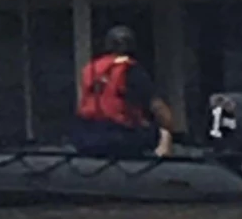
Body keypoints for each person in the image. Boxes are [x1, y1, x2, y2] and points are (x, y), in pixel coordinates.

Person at [72, 25, 176, 158]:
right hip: (119, 139)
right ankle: (162, 163)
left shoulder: (91, 69)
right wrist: (169, 127)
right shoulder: (131, 70)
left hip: (85, 138)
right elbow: (158, 108)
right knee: (163, 132)